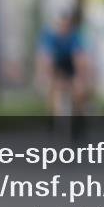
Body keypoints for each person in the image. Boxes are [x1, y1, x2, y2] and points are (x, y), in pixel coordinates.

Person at [37, 8, 94, 138]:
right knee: (52, 89)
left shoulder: (74, 36)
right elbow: (46, 59)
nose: (64, 28)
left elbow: (79, 58)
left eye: (66, 25)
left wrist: (80, 78)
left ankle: (78, 120)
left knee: (78, 90)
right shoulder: (50, 36)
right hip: (57, 64)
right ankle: (51, 119)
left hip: (70, 64)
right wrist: (48, 77)